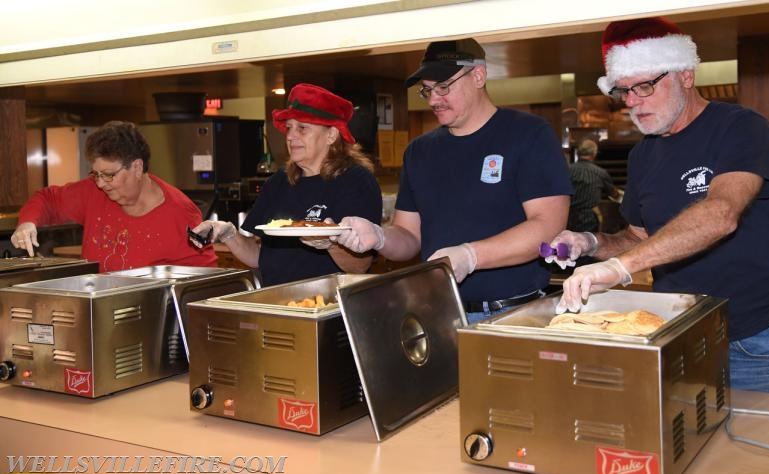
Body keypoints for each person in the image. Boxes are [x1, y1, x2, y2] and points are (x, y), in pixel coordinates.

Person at [547, 17, 769, 395]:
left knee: (755, 450)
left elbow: (721, 214)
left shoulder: (742, 128)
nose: (632, 101)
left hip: (750, 338)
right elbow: (638, 237)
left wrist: (620, 269)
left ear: (685, 74)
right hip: (675, 331)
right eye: (624, 90)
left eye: (645, 85)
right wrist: (592, 243)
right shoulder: (643, 154)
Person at [332, 38, 572, 324]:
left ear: (479, 76)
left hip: (515, 312)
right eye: (427, 90)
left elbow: (548, 226)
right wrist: (379, 236)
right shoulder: (419, 152)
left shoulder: (529, 134)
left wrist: (470, 256)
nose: (434, 99)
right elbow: (409, 238)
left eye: (444, 87)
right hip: (438, 310)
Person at [190, 83, 382, 286]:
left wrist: (329, 244)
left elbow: (360, 266)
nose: (290, 136)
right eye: (289, 127)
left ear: (331, 135)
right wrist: (227, 233)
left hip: (328, 306)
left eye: (302, 128)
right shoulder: (278, 182)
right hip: (279, 303)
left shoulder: (356, 182)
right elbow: (259, 256)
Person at [11, 120, 217, 272]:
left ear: (137, 167)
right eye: (96, 174)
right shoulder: (92, 192)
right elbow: (48, 199)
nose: (100, 183)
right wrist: (27, 223)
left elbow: (205, 279)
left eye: (109, 175)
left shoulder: (180, 213)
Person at [567, 139, 621, 233]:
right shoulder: (600, 173)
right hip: (590, 218)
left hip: (569, 216)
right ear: (594, 154)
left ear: (578, 153)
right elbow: (613, 194)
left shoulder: (567, 170)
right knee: (589, 244)